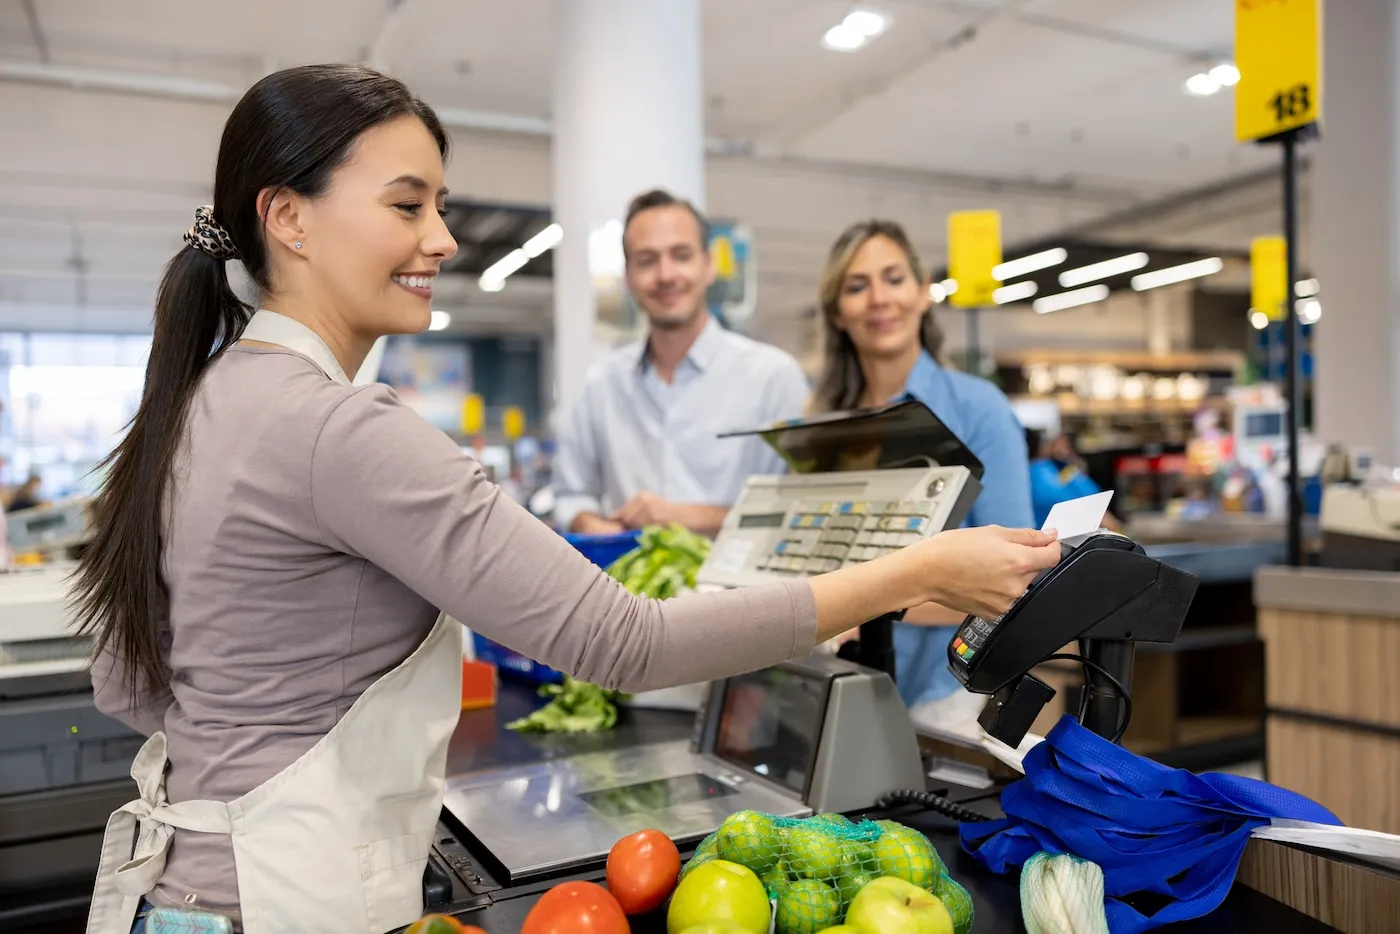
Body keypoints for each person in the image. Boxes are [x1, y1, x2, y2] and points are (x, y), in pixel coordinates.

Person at [70, 64, 1061, 934]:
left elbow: (124, 682)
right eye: (408, 206)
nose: (443, 238)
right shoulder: (342, 430)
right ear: (286, 216)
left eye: (439, 205)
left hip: (180, 889)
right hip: (292, 892)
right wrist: (914, 569)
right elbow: (623, 644)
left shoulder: (201, 402)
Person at [811, 219, 1036, 731]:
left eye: (893, 278)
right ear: (837, 313)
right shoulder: (821, 429)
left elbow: (1018, 573)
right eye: (856, 285)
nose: (878, 299)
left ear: (922, 293)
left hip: (948, 699)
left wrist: (865, 603)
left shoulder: (977, 407)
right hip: (840, 693)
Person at [552, 189, 811, 538]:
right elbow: (572, 495)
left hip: (747, 591)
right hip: (631, 589)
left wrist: (683, 517)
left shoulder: (773, 378)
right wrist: (591, 524)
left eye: (681, 255)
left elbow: (801, 507)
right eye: (647, 260)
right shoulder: (601, 386)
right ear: (628, 277)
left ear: (709, 265)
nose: (665, 275)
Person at [1028, 431, 1121, 531]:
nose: (1064, 450)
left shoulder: (1065, 470)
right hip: (1053, 529)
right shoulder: (1041, 469)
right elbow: (1055, 497)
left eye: (1067, 447)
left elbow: (1091, 492)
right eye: (1058, 445)